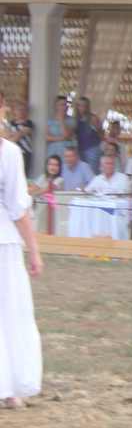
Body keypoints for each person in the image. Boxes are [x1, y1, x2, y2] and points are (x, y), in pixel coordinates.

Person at [0, 130, 44, 408]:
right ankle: (10, 387)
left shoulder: (10, 152)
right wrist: (35, 251)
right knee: (9, 310)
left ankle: (9, 385)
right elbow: (18, 207)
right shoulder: (9, 152)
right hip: (4, 241)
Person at [44, 96, 74, 162]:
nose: (64, 107)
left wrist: (61, 120)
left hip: (66, 148)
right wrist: (63, 138)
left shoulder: (72, 120)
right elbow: (47, 137)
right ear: (56, 106)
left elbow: (66, 134)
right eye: (62, 105)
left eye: (66, 105)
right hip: (54, 148)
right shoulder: (50, 120)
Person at [74, 96, 102, 167]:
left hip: (92, 149)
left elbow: (101, 133)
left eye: (84, 106)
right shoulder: (76, 119)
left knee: (92, 170)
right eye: (80, 106)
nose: (82, 108)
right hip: (80, 149)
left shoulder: (93, 118)